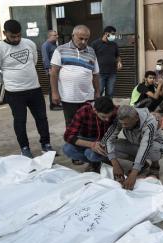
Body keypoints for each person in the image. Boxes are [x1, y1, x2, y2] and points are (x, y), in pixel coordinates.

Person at [0, 19, 55, 158]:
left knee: (42, 118)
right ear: (4, 33)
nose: (16, 39)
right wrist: (9, 82)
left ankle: (46, 144)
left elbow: (35, 60)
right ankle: (25, 148)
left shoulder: (29, 43)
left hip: (35, 89)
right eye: (13, 36)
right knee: (20, 121)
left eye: (19, 35)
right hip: (14, 93)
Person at [50, 25, 100, 165]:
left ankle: (88, 150)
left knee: (88, 125)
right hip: (68, 97)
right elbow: (54, 73)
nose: (84, 41)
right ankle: (75, 154)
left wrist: (97, 92)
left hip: (88, 97)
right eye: (81, 38)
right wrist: (55, 92)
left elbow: (96, 75)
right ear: (73, 35)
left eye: (86, 39)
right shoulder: (60, 50)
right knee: (72, 126)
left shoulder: (92, 52)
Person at [101, 105, 163, 190]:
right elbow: (107, 140)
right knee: (107, 146)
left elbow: (145, 146)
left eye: (126, 124)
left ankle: (155, 166)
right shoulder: (121, 119)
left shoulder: (150, 123)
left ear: (136, 118)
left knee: (152, 149)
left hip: (156, 147)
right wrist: (115, 165)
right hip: (136, 144)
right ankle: (142, 164)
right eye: (122, 123)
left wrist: (134, 173)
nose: (123, 126)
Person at [63, 96, 117, 173]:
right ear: (95, 110)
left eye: (109, 116)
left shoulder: (115, 110)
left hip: (104, 140)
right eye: (103, 117)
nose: (107, 120)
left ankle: (100, 161)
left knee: (91, 154)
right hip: (87, 139)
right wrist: (91, 145)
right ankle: (94, 162)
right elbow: (68, 136)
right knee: (67, 149)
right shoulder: (83, 111)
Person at [91, 26, 122, 98]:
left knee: (110, 92)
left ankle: (108, 108)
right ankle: (97, 107)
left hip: (112, 73)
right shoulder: (95, 44)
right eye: (112, 34)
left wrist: (119, 62)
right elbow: (91, 57)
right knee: (99, 91)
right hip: (100, 73)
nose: (114, 36)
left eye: (114, 34)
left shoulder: (114, 44)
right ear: (106, 33)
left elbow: (117, 56)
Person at [41, 30, 62, 110]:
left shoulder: (54, 45)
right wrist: (48, 69)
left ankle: (57, 103)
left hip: (56, 70)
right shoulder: (45, 45)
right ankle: (53, 105)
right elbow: (45, 58)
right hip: (51, 70)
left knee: (56, 86)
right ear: (49, 36)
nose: (57, 36)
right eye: (55, 35)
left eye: (57, 35)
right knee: (52, 87)